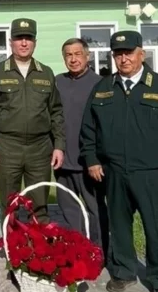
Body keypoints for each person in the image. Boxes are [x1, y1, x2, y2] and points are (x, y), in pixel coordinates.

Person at [80, 30, 158, 292]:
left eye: (129, 53)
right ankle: (123, 272)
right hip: (114, 172)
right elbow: (88, 130)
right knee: (119, 227)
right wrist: (92, 160)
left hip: (154, 174)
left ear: (141, 53)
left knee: (157, 230)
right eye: (118, 54)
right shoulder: (102, 89)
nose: (123, 59)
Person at [0, 18, 65, 223]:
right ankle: (12, 248)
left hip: (40, 148)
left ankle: (40, 250)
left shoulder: (46, 73)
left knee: (40, 205)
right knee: (10, 204)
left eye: (28, 38)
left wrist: (59, 145)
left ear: (35, 42)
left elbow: (56, 112)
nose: (24, 43)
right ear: (11, 42)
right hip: (9, 147)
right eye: (19, 38)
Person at [55, 38, 109, 256]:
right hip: (62, 159)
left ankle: (99, 251)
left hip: (89, 161)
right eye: (68, 55)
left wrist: (96, 158)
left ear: (87, 56)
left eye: (78, 54)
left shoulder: (101, 84)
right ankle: (77, 250)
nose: (73, 59)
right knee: (69, 209)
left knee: (95, 209)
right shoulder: (57, 82)